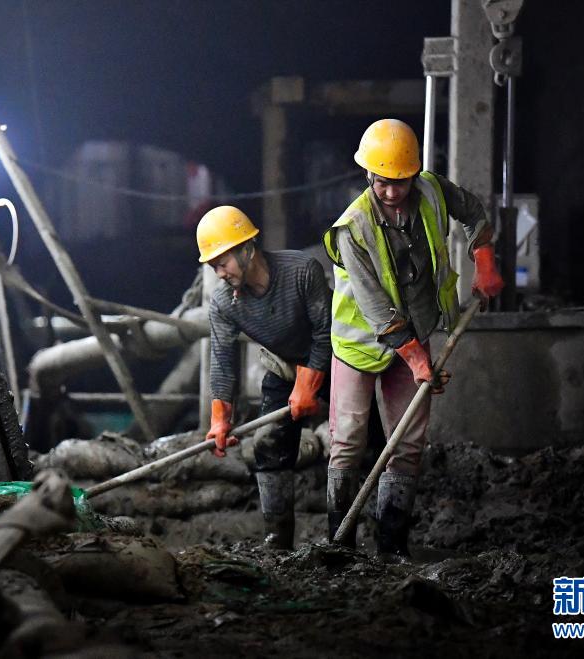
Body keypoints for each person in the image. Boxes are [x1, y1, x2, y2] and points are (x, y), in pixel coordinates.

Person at [323, 118, 504, 555]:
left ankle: (392, 547)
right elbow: (376, 308)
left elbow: (473, 212)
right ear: (368, 174)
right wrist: (419, 361)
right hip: (359, 344)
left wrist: (484, 261)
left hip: (415, 330)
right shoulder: (353, 228)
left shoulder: (432, 190)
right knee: (347, 442)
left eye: (400, 182)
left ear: (413, 173)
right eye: (382, 182)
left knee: (406, 445)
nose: (391, 192)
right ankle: (338, 548)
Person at [196, 205, 332, 550]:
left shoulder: (302, 271)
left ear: (247, 249)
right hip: (284, 368)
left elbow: (325, 332)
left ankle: (350, 539)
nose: (219, 273)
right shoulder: (224, 303)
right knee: (267, 446)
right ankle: (278, 542)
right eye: (213, 267)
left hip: (337, 362)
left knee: (361, 442)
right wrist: (220, 418)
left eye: (222, 263)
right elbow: (223, 359)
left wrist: (309, 383)